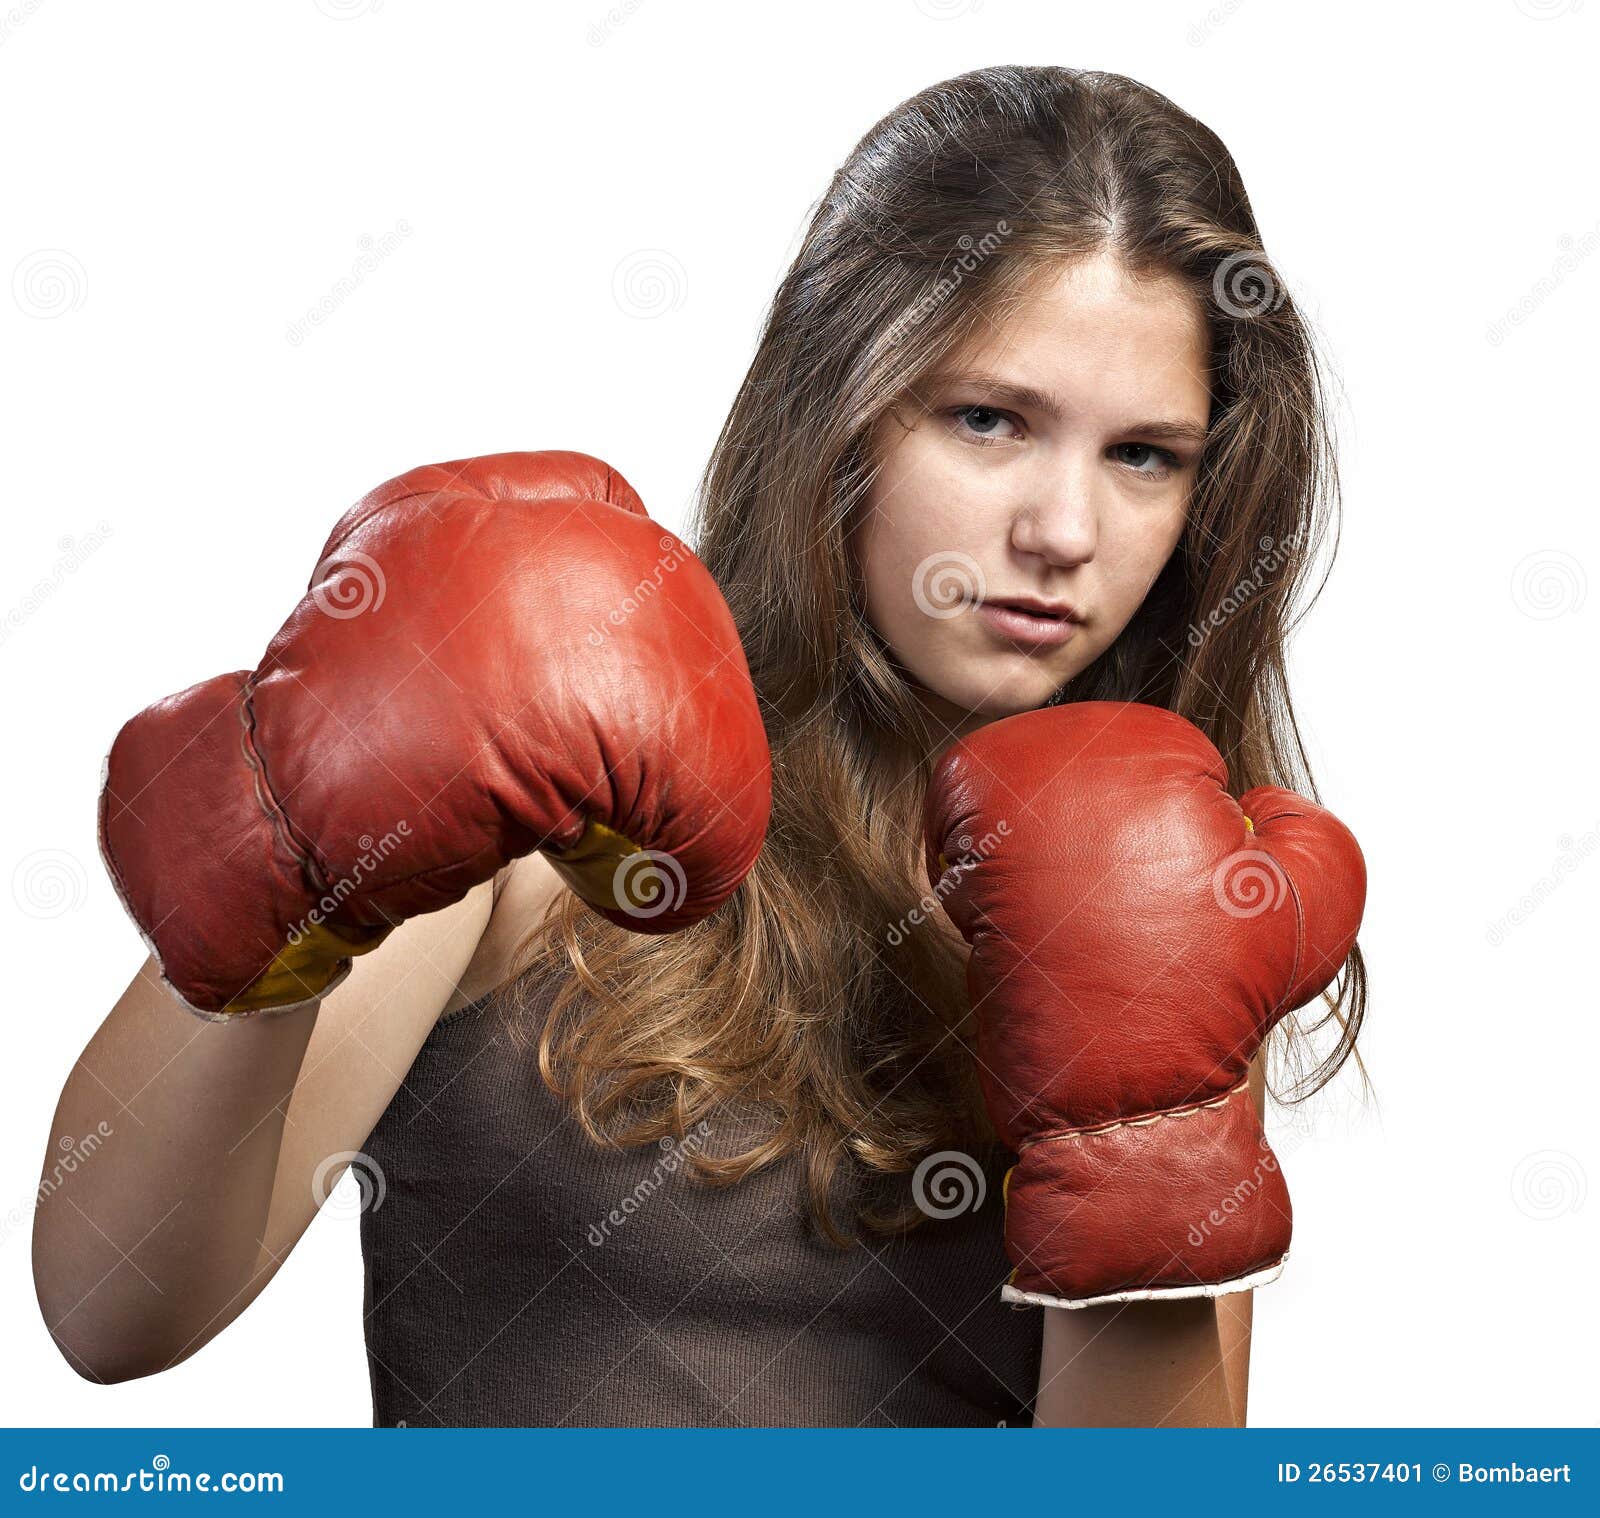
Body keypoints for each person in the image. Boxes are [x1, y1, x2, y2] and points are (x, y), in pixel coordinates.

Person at [34, 64, 1368, 1428]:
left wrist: (1143, 1155)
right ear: (836, 399)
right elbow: (114, 1310)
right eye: (987, 418)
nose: (1063, 531)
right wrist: (279, 866)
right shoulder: (553, 793)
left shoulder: (1165, 880)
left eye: (1145, 454)